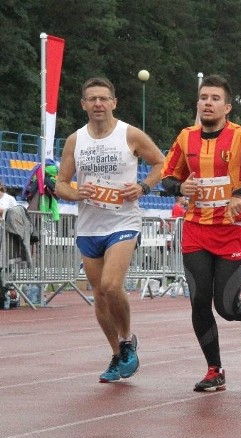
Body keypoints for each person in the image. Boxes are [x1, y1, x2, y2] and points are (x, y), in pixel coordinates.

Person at [160, 74, 241, 392]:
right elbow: (166, 178)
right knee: (200, 302)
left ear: (227, 106)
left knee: (226, 307)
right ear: (197, 103)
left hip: (230, 232)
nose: (208, 103)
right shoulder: (186, 138)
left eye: (214, 98)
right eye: (203, 97)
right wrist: (179, 186)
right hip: (196, 229)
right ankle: (215, 369)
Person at [54, 77, 164, 383]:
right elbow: (60, 183)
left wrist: (142, 186)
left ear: (114, 102)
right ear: (84, 105)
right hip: (89, 226)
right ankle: (117, 354)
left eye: (104, 98)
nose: (98, 104)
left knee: (112, 285)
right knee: (100, 295)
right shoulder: (76, 140)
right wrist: (75, 193)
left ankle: (127, 340)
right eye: (92, 99)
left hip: (123, 222)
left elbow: (161, 164)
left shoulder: (129, 134)